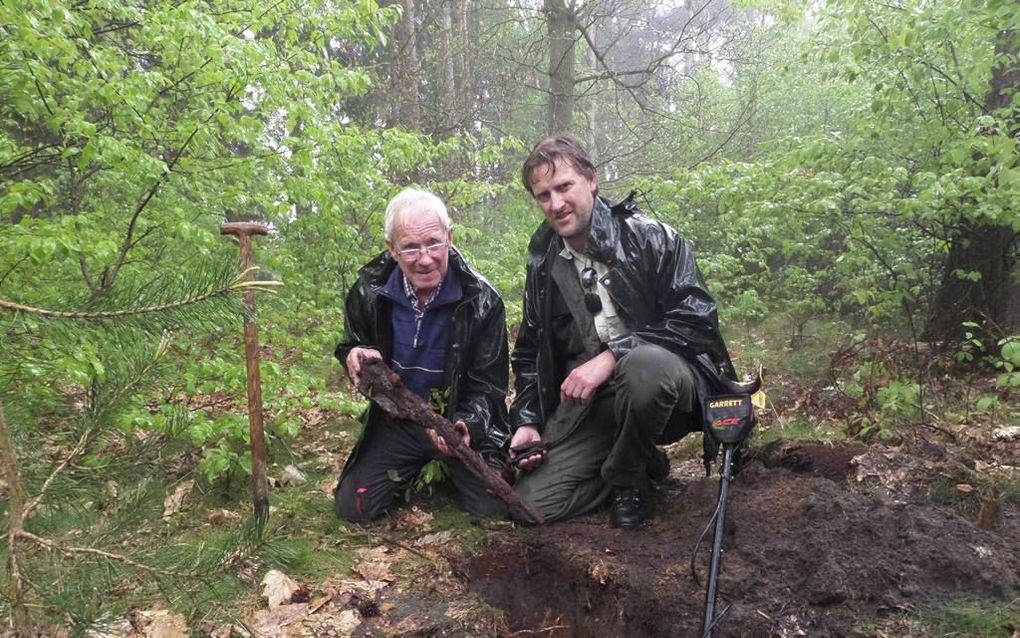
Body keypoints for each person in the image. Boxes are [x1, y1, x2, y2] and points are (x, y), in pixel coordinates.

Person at [508, 134, 739, 529]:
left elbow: (697, 318)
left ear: (591, 180)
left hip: (668, 390)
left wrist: (611, 356)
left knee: (644, 366)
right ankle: (638, 458)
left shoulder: (651, 237)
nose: (556, 204)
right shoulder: (543, 260)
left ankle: (626, 479)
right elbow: (530, 351)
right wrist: (527, 421)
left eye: (564, 187)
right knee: (529, 507)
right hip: (595, 405)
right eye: (543, 195)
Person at [334, 188, 510, 522]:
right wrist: (353, 354)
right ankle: (413, 467)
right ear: (392, 249)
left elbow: (489, 387)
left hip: (456, 419)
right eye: (411, 247)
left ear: (450, 238)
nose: (425, 258)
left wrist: (466, 423)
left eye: (433, 243)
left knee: (493, 510)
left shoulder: (483, 301)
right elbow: (352, 344)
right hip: (398, 419)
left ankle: (447, 470)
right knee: (354, 508)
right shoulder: (368, 290)